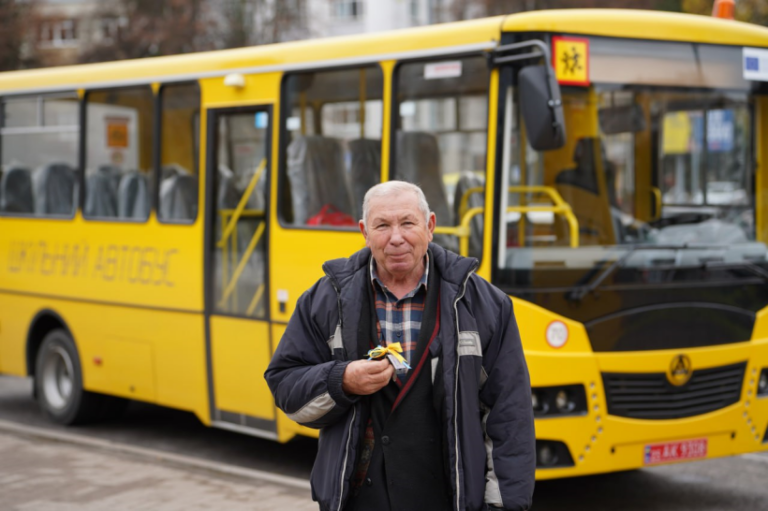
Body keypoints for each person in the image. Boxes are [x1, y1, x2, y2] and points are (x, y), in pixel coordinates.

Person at [265, 181, 535, 511]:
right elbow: (284, 383)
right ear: (364, 231)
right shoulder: (325, 299)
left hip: (449, 498)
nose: (396, 237)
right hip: (359, 499)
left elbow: (511, 417)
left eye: (408, 223)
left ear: (430, 226)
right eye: (382, 225)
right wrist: (342, 380)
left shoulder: (484, 304)